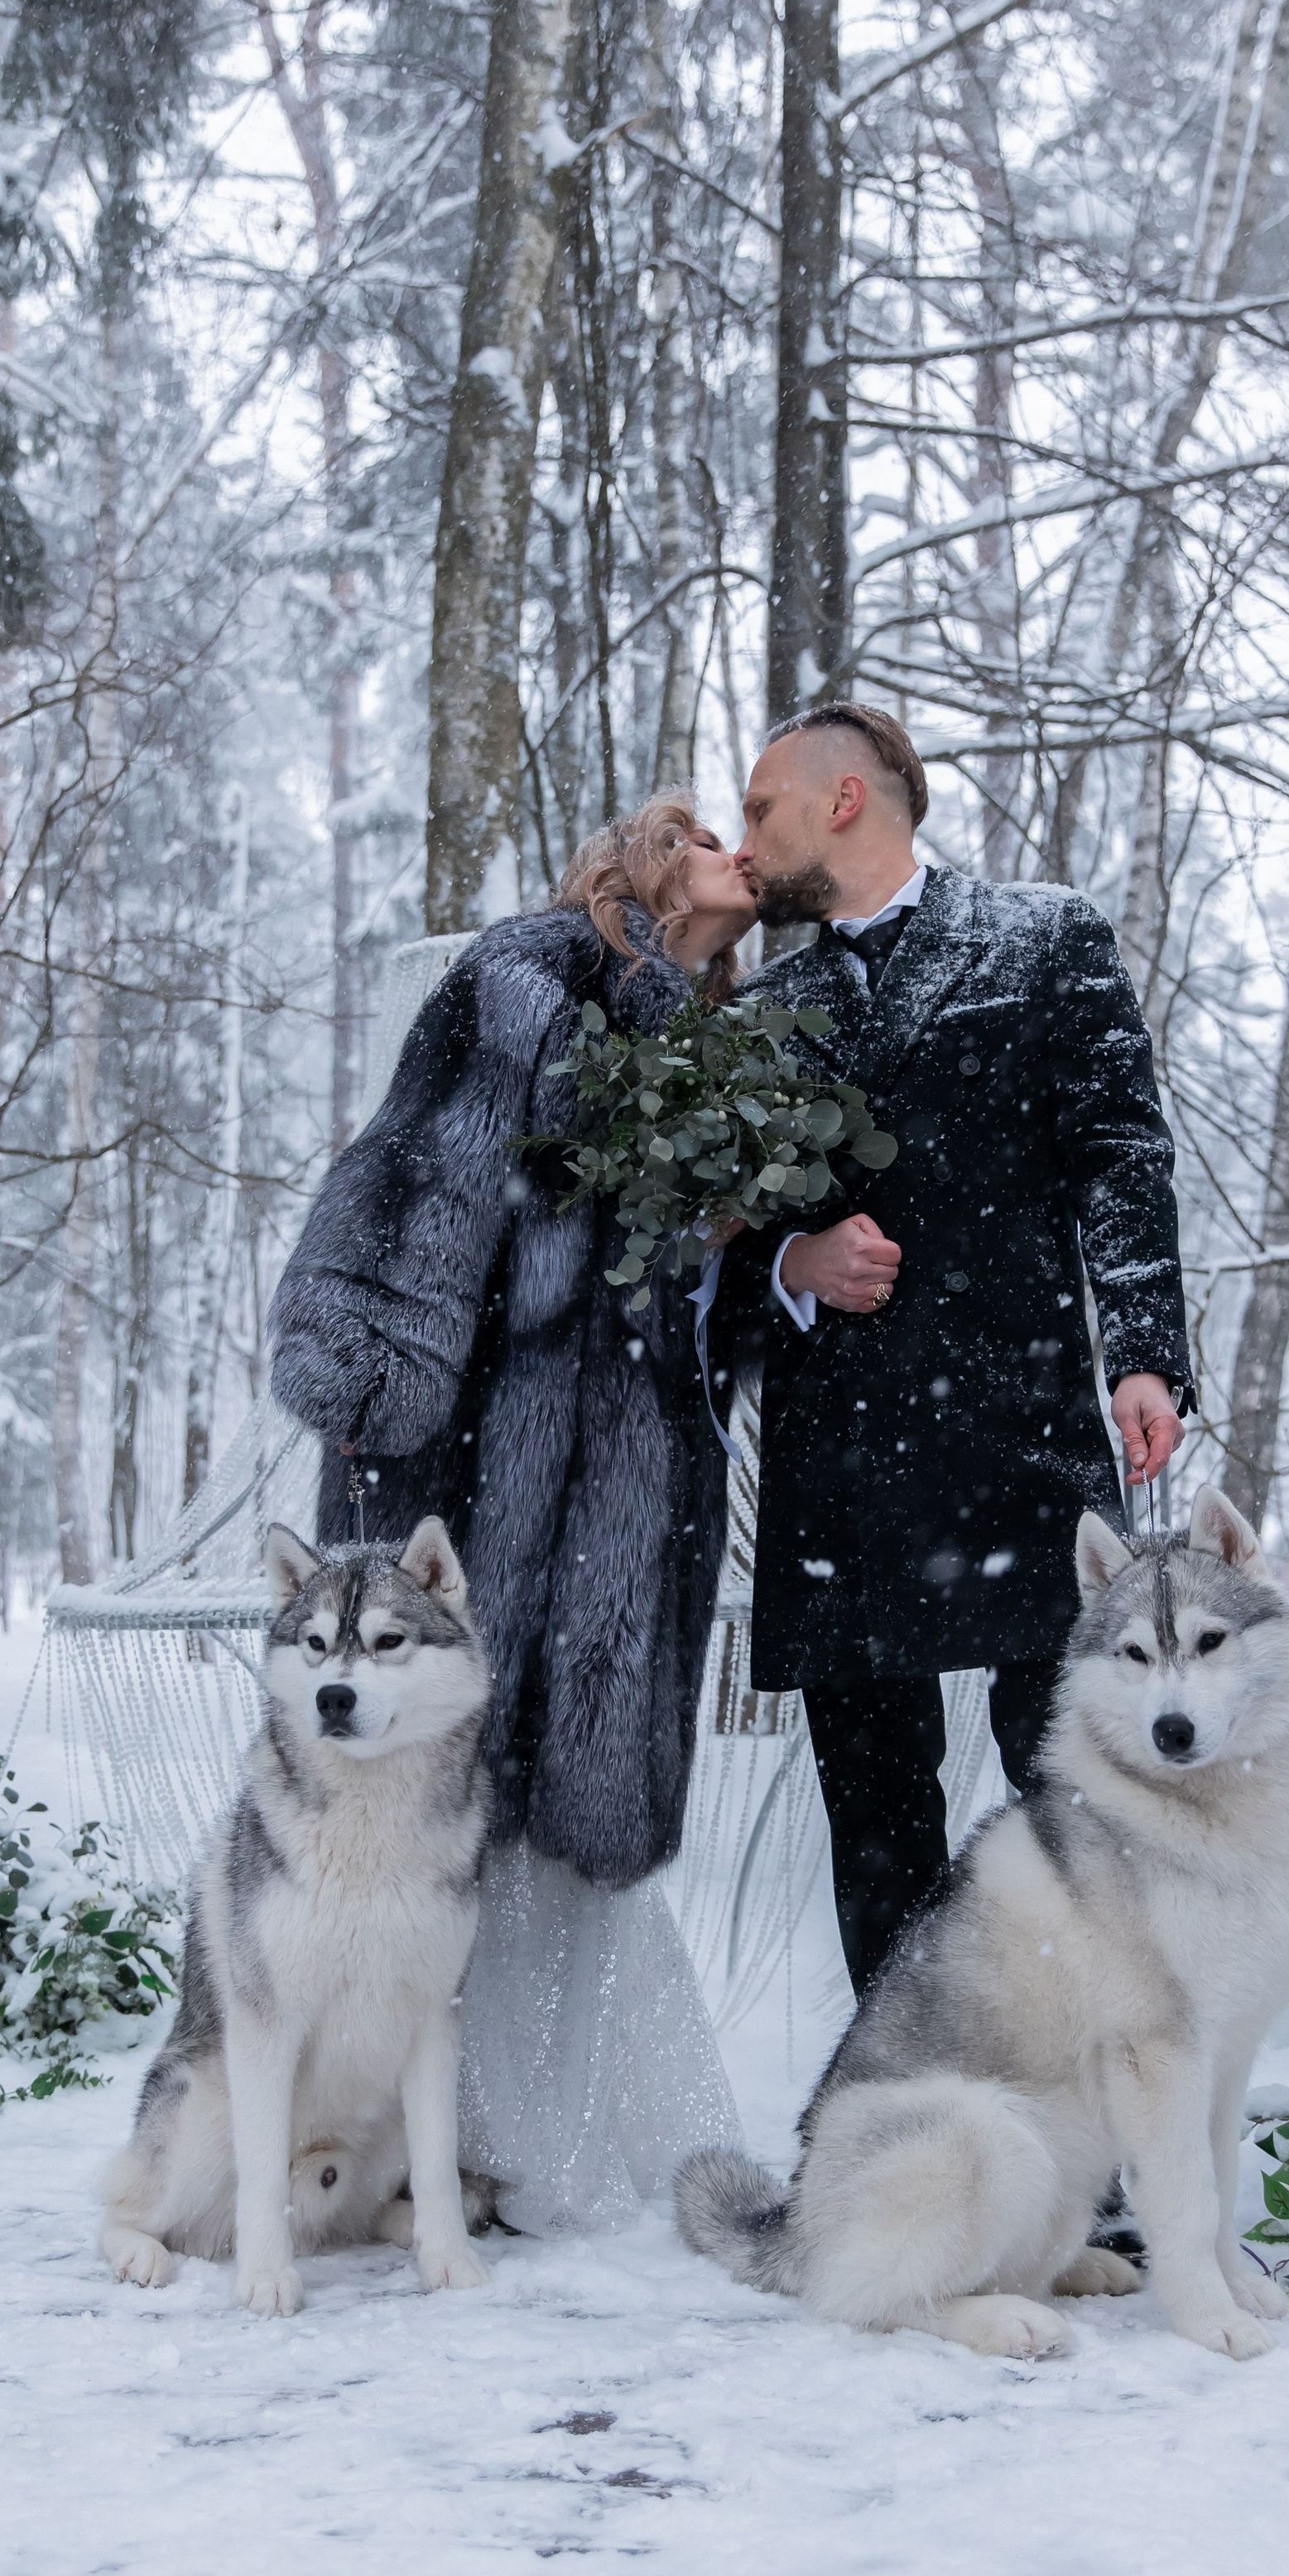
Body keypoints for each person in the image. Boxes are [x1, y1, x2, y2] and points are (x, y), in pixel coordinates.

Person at [268, 795, 758, 2235]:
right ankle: (417, 2141)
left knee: (571, 1811)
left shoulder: (725, 1048)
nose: (743, 852)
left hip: (634, 1487)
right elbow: (405, 1175)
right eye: (710, 834)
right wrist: (375, 1376)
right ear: (656, 868)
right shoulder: (528, 977)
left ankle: (530, 2143)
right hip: (479, 1467)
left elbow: (683, 1308)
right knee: (454, 1806)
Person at [709, 700, 1191, 1997]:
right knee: (876, 1826)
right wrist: (789, 1268)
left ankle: (1084, 2126)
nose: (746, 842)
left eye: (762, 809)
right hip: (844, 1469)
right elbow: (705, 1249)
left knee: (1075, 1803)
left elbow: (1120, 1152)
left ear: (846, 800)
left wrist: (1143, 1352)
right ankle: (910, 2120)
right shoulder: (767, 1007)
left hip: (1018, 1433)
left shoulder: (1045, 941)